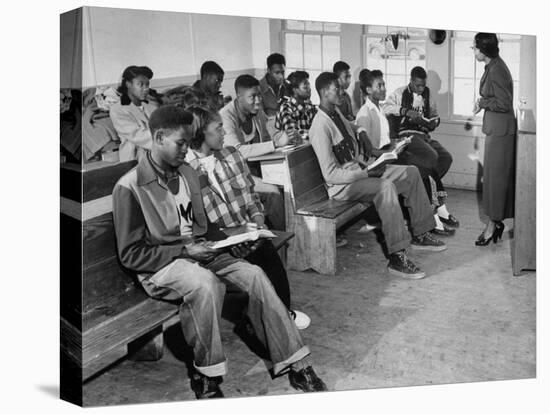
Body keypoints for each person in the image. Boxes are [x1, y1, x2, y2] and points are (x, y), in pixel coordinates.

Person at [112, 105, 327, 399]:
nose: (186, 149)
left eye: (188, 142)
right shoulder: (130, 186)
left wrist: (230, 238)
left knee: (254, 275)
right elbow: (131, 254)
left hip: (199, 253)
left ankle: (296, 361)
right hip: (161, 266)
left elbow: (203, 224)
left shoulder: (186, 172)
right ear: (159, 137)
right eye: (181, 143)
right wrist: (185, 251)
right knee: (206, 284)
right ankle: (206, 374)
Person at [309, 72, 447, 280]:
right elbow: (330, 175)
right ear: (322, 92)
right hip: (343, 186)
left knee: (410, 172)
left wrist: (362, 131)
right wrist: (366, 172)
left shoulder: (335, 112)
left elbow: (353, 126)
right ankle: (397, 256)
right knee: (385, 188)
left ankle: (421, 233)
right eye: (336, 88)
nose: (342, 91)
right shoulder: (319, 126)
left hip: (360, 171)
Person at [185, 105, 311, 329]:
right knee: (254, 264)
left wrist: (258, 220)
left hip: (247, 232)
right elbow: (198, 222)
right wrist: (230, 239)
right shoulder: (188, 171)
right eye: (218, 128)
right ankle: (267, 320)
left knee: (267, 253)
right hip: (218, 241)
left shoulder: (232, 155)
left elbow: (251, 196)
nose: (224, 132)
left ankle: (282, 313)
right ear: (201, 133)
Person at [356, 69, 454, 236]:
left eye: (384, 84)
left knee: (434, 163)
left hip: (399, 147)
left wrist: (397, 145)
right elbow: (369, 147)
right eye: (379, 85)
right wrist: (391, 151)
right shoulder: (366, 112)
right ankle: (434, 219)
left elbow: (385, 138)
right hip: (381, 160)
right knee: (424, 167)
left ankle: (433, 214)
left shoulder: (376, 109)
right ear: (368, 90)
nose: (384, 89)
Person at [382, 66, 459, 231]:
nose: (420, 89)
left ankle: (426, 192)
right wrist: (405, 111)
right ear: (411, 80)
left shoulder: (428, 95)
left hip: (424, 136)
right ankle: (437, 208)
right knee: (430, 157)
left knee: (445, 158)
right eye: (417, 85)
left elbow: (435, 115)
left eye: (423, 85)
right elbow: (385, 108)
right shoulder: (399, 93)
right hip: (407, 136)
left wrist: (433, 122)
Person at [220, 74, 293, 230]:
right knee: (273, 192)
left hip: (254, 170)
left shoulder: (257, 111)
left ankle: (289, 232)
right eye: (252, 96)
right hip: (233, 174)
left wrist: (286, 136)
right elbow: (237, 151)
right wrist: (275, 143)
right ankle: (281, 239)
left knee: (289, 183)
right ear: (239, 97)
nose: (258, 100)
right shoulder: (225, 117)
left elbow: (268, 135)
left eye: (259, 95)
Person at [472, 33, 516, 245]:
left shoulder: (497, 69)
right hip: (497, 130)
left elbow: (504, 104)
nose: (474, 51)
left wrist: (483, 102)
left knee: (496, 183)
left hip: (501, 133)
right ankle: (495, 223)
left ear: (484, 50)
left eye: (476, 48)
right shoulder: (492, 66)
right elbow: (496, 98)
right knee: (493, 181)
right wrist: (483, 102)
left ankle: (493, 225)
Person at [109, 65, 161, 161]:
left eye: (147, 85)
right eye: (140, 84)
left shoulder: (152, 106)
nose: (145, 89)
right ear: (128, 84)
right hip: (134, 159)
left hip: (157, 153)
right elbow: (138, 136)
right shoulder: (118, 110)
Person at [275, 70, 317, 140]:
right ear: (294, 90)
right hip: (293, 150)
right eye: (305, 87)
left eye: (309, 85)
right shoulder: (286, 108)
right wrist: (316, 134)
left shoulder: (309, 107)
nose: (309, 89)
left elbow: (319, 127)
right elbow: (293, 135)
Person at [259, 53, 289, 132]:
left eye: (283, 72)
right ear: (268, 70)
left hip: (288, 128)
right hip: (268, 131)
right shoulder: (258, 89)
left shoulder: (287, 86)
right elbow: (260, 118)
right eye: (277, 73)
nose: (281, 76)